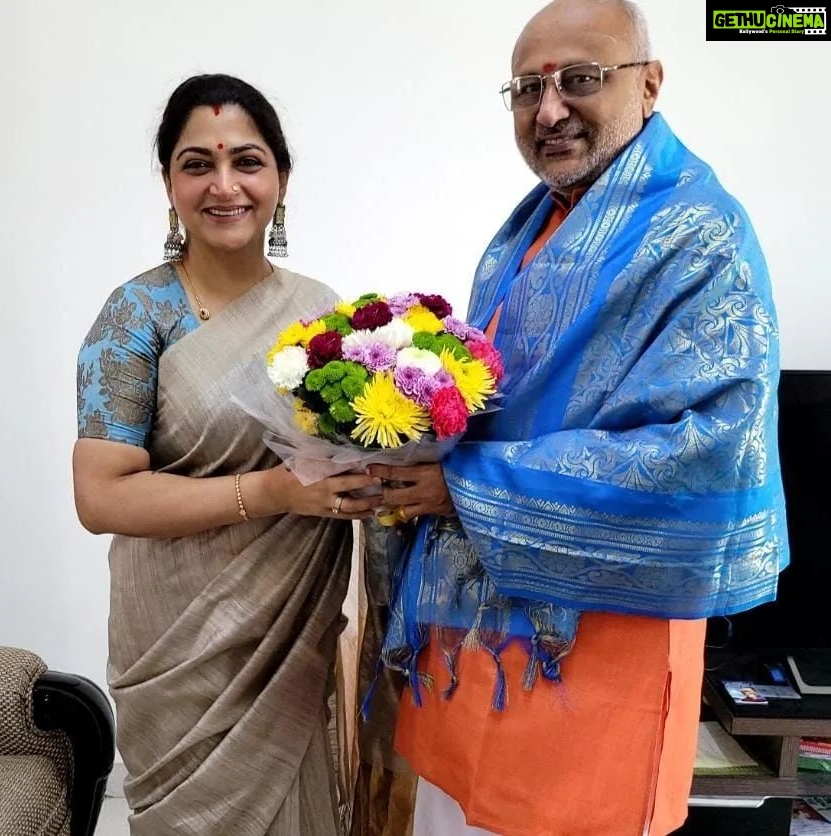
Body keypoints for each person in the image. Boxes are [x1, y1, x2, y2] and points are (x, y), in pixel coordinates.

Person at [361, 2, 790, 835]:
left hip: (597, 654)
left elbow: (706, 454)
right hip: (479, 642)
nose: (549, 109)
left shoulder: (700, 235)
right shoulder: (530, 227)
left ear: (649, 84)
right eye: (527, 89)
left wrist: (462, 488)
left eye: (580, 80)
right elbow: (499, 408)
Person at [73, 73, 383, 836]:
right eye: (196, 164)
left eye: (247, 161)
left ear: (280, 176)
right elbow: (101, 496)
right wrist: (273, 494)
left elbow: (358, 462)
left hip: (289, 643)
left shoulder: (321, 316)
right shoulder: (137, 314)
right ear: (169, 182)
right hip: (176, 649)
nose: (224, 186)